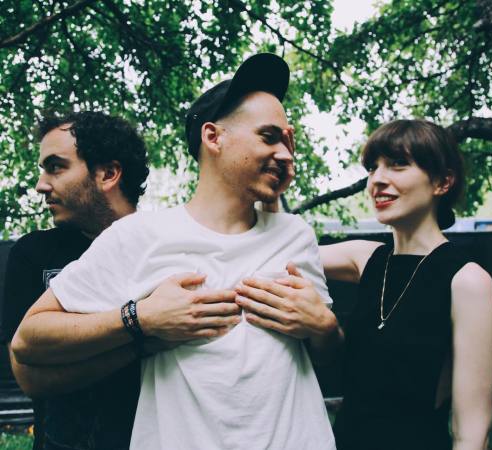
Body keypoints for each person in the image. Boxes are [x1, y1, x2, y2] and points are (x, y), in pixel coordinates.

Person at [13, 53, 340, 450]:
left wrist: (324, 328)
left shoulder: (296, 236)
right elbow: (28, 341)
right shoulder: (138, 235)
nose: (287, 154)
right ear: (213, 137)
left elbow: (329, 360)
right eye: (269, 137)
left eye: (289, 142)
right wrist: (142, 318)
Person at [318, 120, 492, 450]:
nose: (377, 180)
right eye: (373, 168)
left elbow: (470, 433)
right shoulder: (365, 258)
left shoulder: (467, 281)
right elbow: (276, 252)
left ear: (442, 182)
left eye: (398, 164)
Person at [1, 111, 150, 449]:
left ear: (108, 174)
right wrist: (143, 336)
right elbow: (28, 376)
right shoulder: (33, 254)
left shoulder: (162, 248)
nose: (40, 184)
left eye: (55, 167)